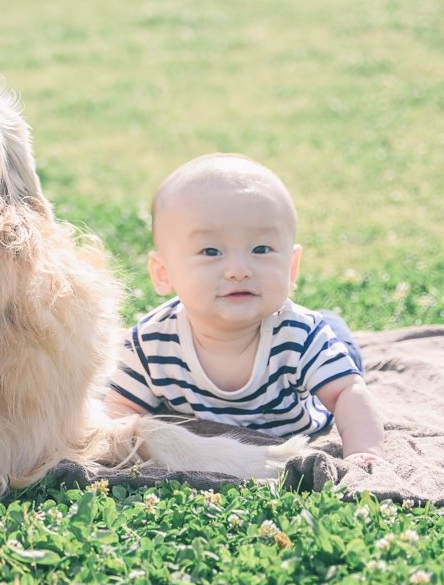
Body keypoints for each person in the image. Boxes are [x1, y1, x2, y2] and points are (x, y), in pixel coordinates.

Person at [105, 154, 384, 462]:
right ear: (163, 273)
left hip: (307, 386)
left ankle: (336, 329)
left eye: (261, 249)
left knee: (343, 357)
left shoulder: (301, 336)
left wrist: (364, 452)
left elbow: (347, 392)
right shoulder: (150, 342)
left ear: (291, 267)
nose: (238, 270)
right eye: (211, 251)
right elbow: (119, 407)